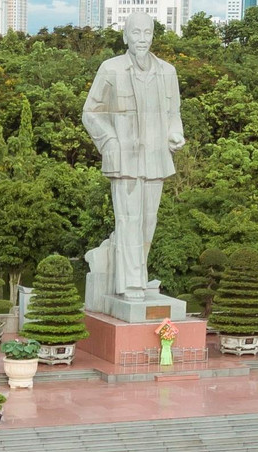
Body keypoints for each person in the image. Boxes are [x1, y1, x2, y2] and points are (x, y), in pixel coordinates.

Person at [81, 11, 185, 303]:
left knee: (147, 223)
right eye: (135, 33)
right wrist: (110, 141)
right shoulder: (111, 69)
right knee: (128, 220)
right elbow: (91, 112)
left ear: (153, 36)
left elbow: (174, 114)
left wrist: (175, 135)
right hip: (124, 159)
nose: (142, 39)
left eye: (147, 33)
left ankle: (135, 276)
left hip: (156, 159)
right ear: (125, 36)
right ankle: (132, 284)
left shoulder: (168, 72)